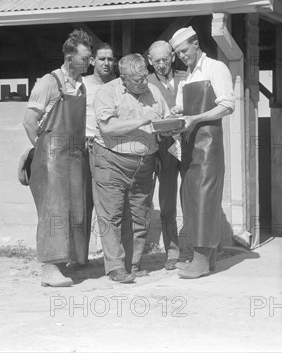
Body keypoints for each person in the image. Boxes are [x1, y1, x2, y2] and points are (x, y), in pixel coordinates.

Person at [22, 29, 92, 287]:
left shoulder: (81, 86)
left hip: (73, 156)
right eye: (84, 58)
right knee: (53, 212)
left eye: (89, 57)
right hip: (51, 160)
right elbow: (29, 122)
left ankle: (64, 264)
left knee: (74, 210)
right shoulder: (49, 82)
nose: (88, 62)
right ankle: (49, 270)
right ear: (69, 57)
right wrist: (42, 151)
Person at [92, 53, 169, 283]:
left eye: (145, 76)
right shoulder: (107, 93)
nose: (144, 82)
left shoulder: (154, 91)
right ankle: (115, 267)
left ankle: (133, 265)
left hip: (144, 163)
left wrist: (171, 121)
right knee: (112, 216)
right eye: (138, 80)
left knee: (140, 214)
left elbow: (162, 121)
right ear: (123, 78)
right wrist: (143, 120)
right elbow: (108, 128)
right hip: (111, 161)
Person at [169, 26, 235, 279]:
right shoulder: (186, 77)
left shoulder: (215, 68)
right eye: (178, 53)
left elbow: (227, 106)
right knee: (192, 199)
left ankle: (200, 261)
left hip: (208, 146)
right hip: (189, 145)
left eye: (185, 50)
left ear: (196, 44)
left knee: (205, 200)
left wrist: (196, 118)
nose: (182, 56)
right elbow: (182, 109)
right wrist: (177, 112)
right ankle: (208, 261)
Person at [146, 40, 186, 270]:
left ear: (172, 57)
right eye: (156, 61)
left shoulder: (186, 77)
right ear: (150, 62)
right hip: (163, 148)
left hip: (188, 145)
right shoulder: (147, 83)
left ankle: (194, 246)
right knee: (167, 201)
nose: (161, 64)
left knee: (190, 198)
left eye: (165, 59)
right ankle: (172, 251)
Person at [81, 42, 117, 260]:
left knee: (108, 205)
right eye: (102, 59)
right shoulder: (81, 84)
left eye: (110, 59)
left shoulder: (117, 85)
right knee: (83, 204)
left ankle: (108, 255)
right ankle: (80, 257)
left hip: (108, 149)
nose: (107, 63)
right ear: (92, 60)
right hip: (84, 147)